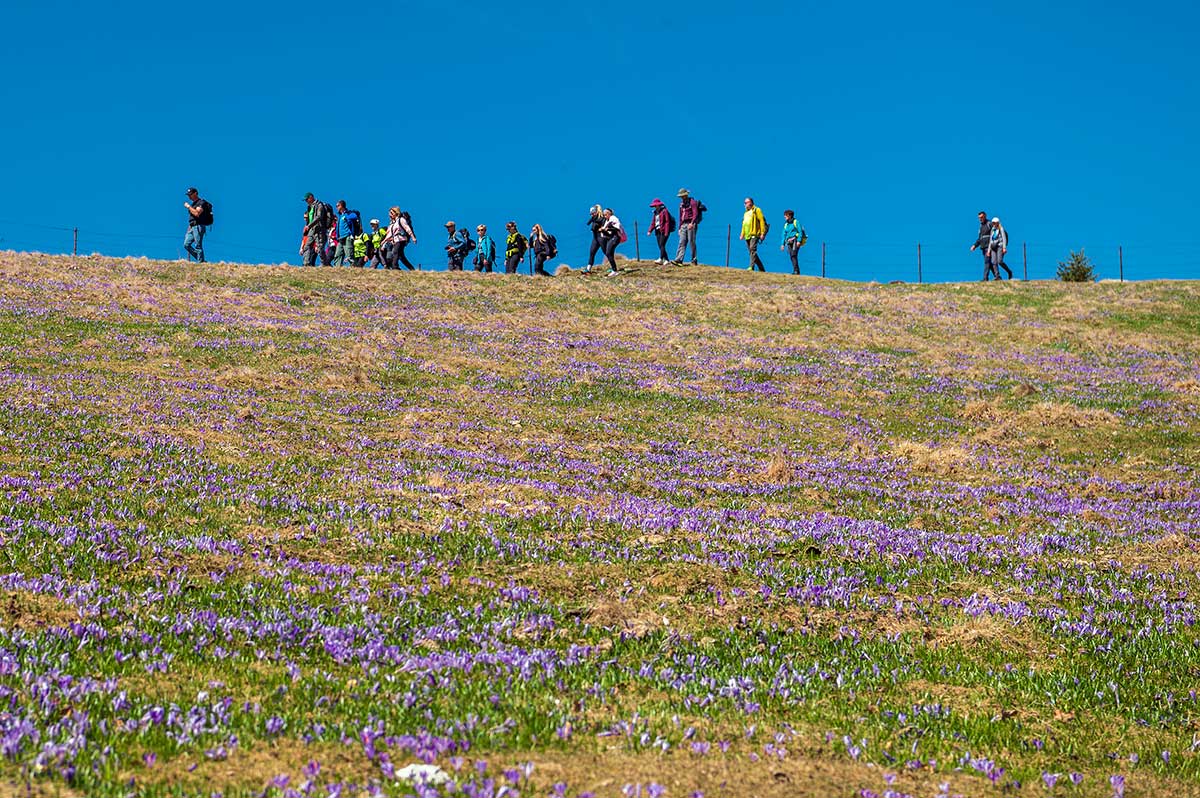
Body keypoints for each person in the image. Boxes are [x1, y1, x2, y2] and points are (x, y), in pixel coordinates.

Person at [301, 193, 334, 267]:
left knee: (320, 248)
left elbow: (319, 217)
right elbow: (309, 219)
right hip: (311, 230)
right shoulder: (309, 207)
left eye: (307, 199)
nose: (306, 201)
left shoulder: (319, 205)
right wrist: (307, 226)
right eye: (305, 200)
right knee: (307, 246)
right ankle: (306, 264)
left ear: (311, 197)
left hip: (319, 229)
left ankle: (324, 264)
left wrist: (308, 226)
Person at [183, 187, 212, 263]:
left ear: (195, 193)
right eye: (188, 195)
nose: (189, 196)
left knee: (198, 246)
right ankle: (201, 260)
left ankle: (200, 262)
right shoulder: (194, 204)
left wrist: (188, 207)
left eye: (190, 194)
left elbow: (197, 213)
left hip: (198, 226)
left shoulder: (201, 202)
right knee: (186, 244)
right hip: (192, 227)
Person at [674, 188, 701, 265]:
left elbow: (695, 213)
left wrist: (692, 223)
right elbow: (680, 216)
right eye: (681, 196)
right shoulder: (681, 204)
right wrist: (679, 227)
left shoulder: (692, 202)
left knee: (691, 242)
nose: (682, 197)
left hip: (691, 224)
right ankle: (678, 259)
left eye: (683, 196)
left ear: (686, 195)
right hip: (683, 224)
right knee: (682, 242)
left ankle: (694, 260)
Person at [970, 210, 998, 281]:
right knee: (990, 263)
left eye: (982, 217)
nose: (980, 219)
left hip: (989, 247)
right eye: (979, 218)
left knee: (987, 262)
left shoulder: (990, 224)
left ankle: (985, 278)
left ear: (985, 216)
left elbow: (997, 232)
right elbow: (980, 238)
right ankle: (997, 276)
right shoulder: (981, 227)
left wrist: (996, 243)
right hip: (983, 247)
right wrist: (974, 245)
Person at [740, 197, 767, 271]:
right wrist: (742, 234)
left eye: (746, 202)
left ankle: (751, 267)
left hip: (755, 234)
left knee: (752, 249)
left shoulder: (756, 210)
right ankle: (761, 268)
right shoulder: (745, 213)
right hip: (747, 235)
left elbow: (761, 221)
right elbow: (744, 224)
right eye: (744, 203)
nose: (745, 204)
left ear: (751, 202)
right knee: (751, 252)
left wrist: (762, 233)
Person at [331, 201, 360, 267]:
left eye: (337, 205)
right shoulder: (340, 216)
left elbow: (355, 216)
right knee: (338, 254)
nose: (336, 207)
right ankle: (337, 268)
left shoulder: (347, 214)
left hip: (347, 237)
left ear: (341, 206)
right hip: (340, 238)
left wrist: (347, 216)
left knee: (349, 254)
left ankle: (353, 268)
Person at [596, 208, 623, 277]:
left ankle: (614, 271)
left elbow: (617, 228)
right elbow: (606, 229)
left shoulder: (614, 218)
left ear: (609, 214)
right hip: (611, 237)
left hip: (616, 237)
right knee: (609, 253)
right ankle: (613, 269)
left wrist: (607, 229)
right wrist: (602, 230)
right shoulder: (608, 220)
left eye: (605, 215)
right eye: (604, 215)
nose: (604, 216)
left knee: (608, 253)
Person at [648, 199, 673, 264]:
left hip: (664, 230)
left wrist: (666, 232)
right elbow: (653, 222)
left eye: (656, 205)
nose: (655, 207)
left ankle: (661, 258)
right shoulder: (655, 213)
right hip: (657, 230)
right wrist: (650, 230)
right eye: (654, 206)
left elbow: (667, 222)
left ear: (659, 205)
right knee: (660, 245)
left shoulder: (664, 211)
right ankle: (666, 260)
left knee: (662, 244)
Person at [780, 210, 804, 275]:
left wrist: (799, 241)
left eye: (785, 215)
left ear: (789, 215)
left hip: (795, 241)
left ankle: (796, 271)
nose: (784, 216)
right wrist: (782, 244)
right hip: (789, 242)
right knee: (792, 256)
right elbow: (783, 234)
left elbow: (800, 231)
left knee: (793, 255)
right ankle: (796, 270)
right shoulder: (786, 224)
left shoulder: (796, 222)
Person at [585, 205, 605, 270]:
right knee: (592, 252)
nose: (591, 215)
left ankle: (614, 268)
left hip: (601, 237)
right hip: (595, 238)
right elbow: (588, 223)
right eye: (590, 213)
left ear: (596, 212)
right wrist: (592, 219)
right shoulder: (593, 219)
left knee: (606, 252)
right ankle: (588, 269)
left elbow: (604, 226)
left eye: (593, 213)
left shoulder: (602, 218)